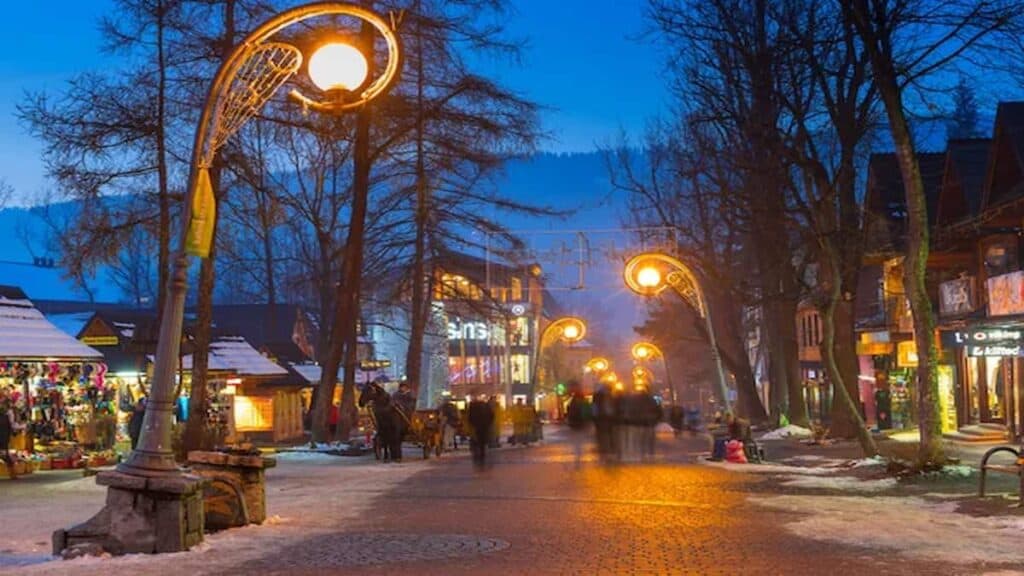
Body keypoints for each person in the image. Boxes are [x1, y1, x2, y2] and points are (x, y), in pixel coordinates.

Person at [0, 395, 25, 479]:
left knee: (4, 454)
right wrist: (23, 426)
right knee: (4, 454)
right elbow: (13, 425)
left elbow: (12, 425)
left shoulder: (8, 413)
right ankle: (13, 474)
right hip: (3, 437)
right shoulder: (10, 413)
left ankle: (13, 474)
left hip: (3, 436)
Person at [467, 393, 494, 468]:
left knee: (476, 438)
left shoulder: (472, 406)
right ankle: (482, 452)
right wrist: (488, 423)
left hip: (476, 426)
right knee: (482, 440)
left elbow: (470, 417)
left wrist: (472, 423)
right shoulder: (486, 406)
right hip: (484, 425)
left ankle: (477, 452)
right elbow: (492, 415)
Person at [565, 392, 592, 467]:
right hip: (582, 424)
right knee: (581, 441)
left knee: (577, 443)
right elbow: (589, 413)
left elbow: (569, 413)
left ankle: (578, 457)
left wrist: (569, 422)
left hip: (575, 425)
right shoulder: (585, 402)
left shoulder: (572, 402)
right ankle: (579, 456)